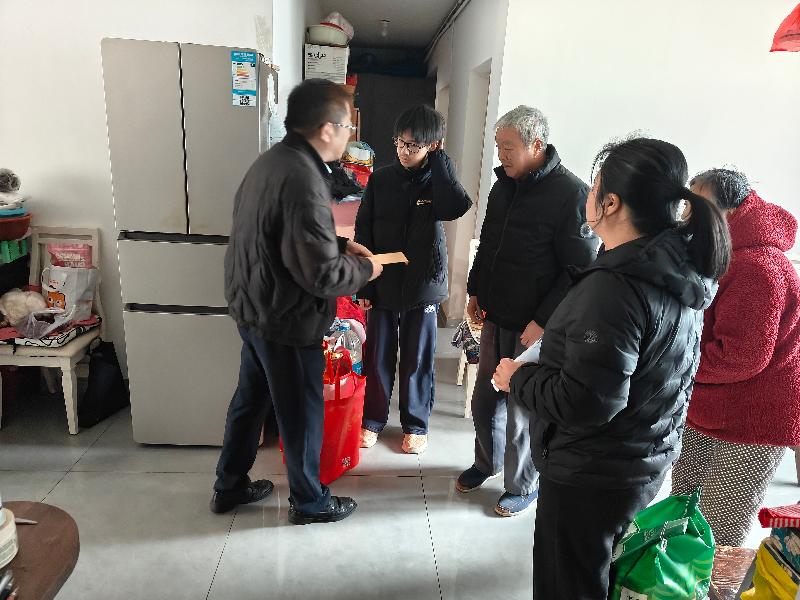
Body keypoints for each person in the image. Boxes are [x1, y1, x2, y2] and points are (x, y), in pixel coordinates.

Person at [493, 137, 732, 598]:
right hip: (641, 457)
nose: (588, 195)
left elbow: (586, 401)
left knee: (570, 584)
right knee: (603, 576)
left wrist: (517, 378)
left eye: (594, 187)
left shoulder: (617, 287)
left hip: (593, 471)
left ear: (612, 203)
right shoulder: (678, 267)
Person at [210, 79, 383, 525]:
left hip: (253, 307)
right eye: (347, 127)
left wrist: (340, 245)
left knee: (250, 401)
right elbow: (321, 275)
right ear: (327, 129)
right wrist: (366, 269)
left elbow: (280, 234)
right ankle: (309, 502)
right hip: (285, 319)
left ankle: (228, 485)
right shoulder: (304, 178)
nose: (348, 136)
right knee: (301, 413)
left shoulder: (272, 161)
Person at [457, 105, 597, 517]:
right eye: (498, 146)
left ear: (536, 145)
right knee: (486, 400)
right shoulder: (503, 187)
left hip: (534, 328)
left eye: (508, 147)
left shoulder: (571, 194)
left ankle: (523, 485)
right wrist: (475, 291)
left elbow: (578, 269)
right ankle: (486, 463)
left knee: (523, 410)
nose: (501, 155)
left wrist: (544, 321)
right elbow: (488, 244)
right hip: (496, 315)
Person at [670, 168, 800, 546]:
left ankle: (711, 581)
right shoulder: (723, 253)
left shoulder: (757, 267)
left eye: (697, 206)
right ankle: (680, 575)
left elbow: (741, 357)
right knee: (682, 510)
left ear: (729, 211)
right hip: (712, 406)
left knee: (717, 530)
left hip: (752, 420)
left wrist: (674, 363)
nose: (687, 215)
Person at [354, 105, 472, 454]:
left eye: (413, 146)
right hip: (383, 278)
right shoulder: (381, 180)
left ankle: (416, 425)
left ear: (433, 146)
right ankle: (372, 420)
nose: (404, 151)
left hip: (423, 282)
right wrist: (364, 283)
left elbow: (456, 208)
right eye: (399, 143)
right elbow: (364, 231)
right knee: (378, 355)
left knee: (417, 358)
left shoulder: (438, 182)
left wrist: (440, 163)